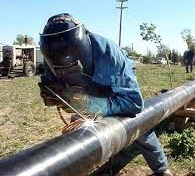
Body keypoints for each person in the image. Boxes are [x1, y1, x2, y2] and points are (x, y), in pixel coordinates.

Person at [38, 13, 173, 176]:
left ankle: (161, 168)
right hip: (87, 85)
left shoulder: (111, 58)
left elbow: (133, 103)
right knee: (80, 126)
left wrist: (89, 105)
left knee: (137, 124)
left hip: (113, 81)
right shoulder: (53, 54)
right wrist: (54, 94)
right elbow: (51, 84)